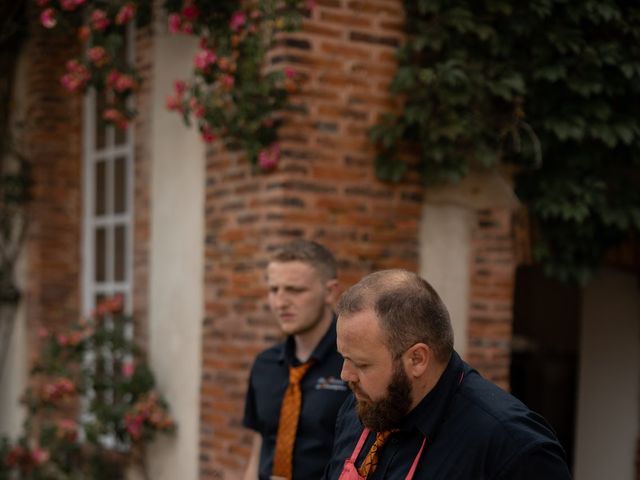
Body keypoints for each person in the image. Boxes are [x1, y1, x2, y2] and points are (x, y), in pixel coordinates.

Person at [323, 269, 572, 480]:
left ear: (418, 359)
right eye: (344, 358)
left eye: (362, 364)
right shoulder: (362, 406)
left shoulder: (511, 446)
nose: (346, 375)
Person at [243, 239, 350, 480]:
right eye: (274, 290)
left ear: (330, 292)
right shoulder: (264, 364)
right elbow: (260, 445)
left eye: (295, 290)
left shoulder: (354, 364)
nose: (280, 302)